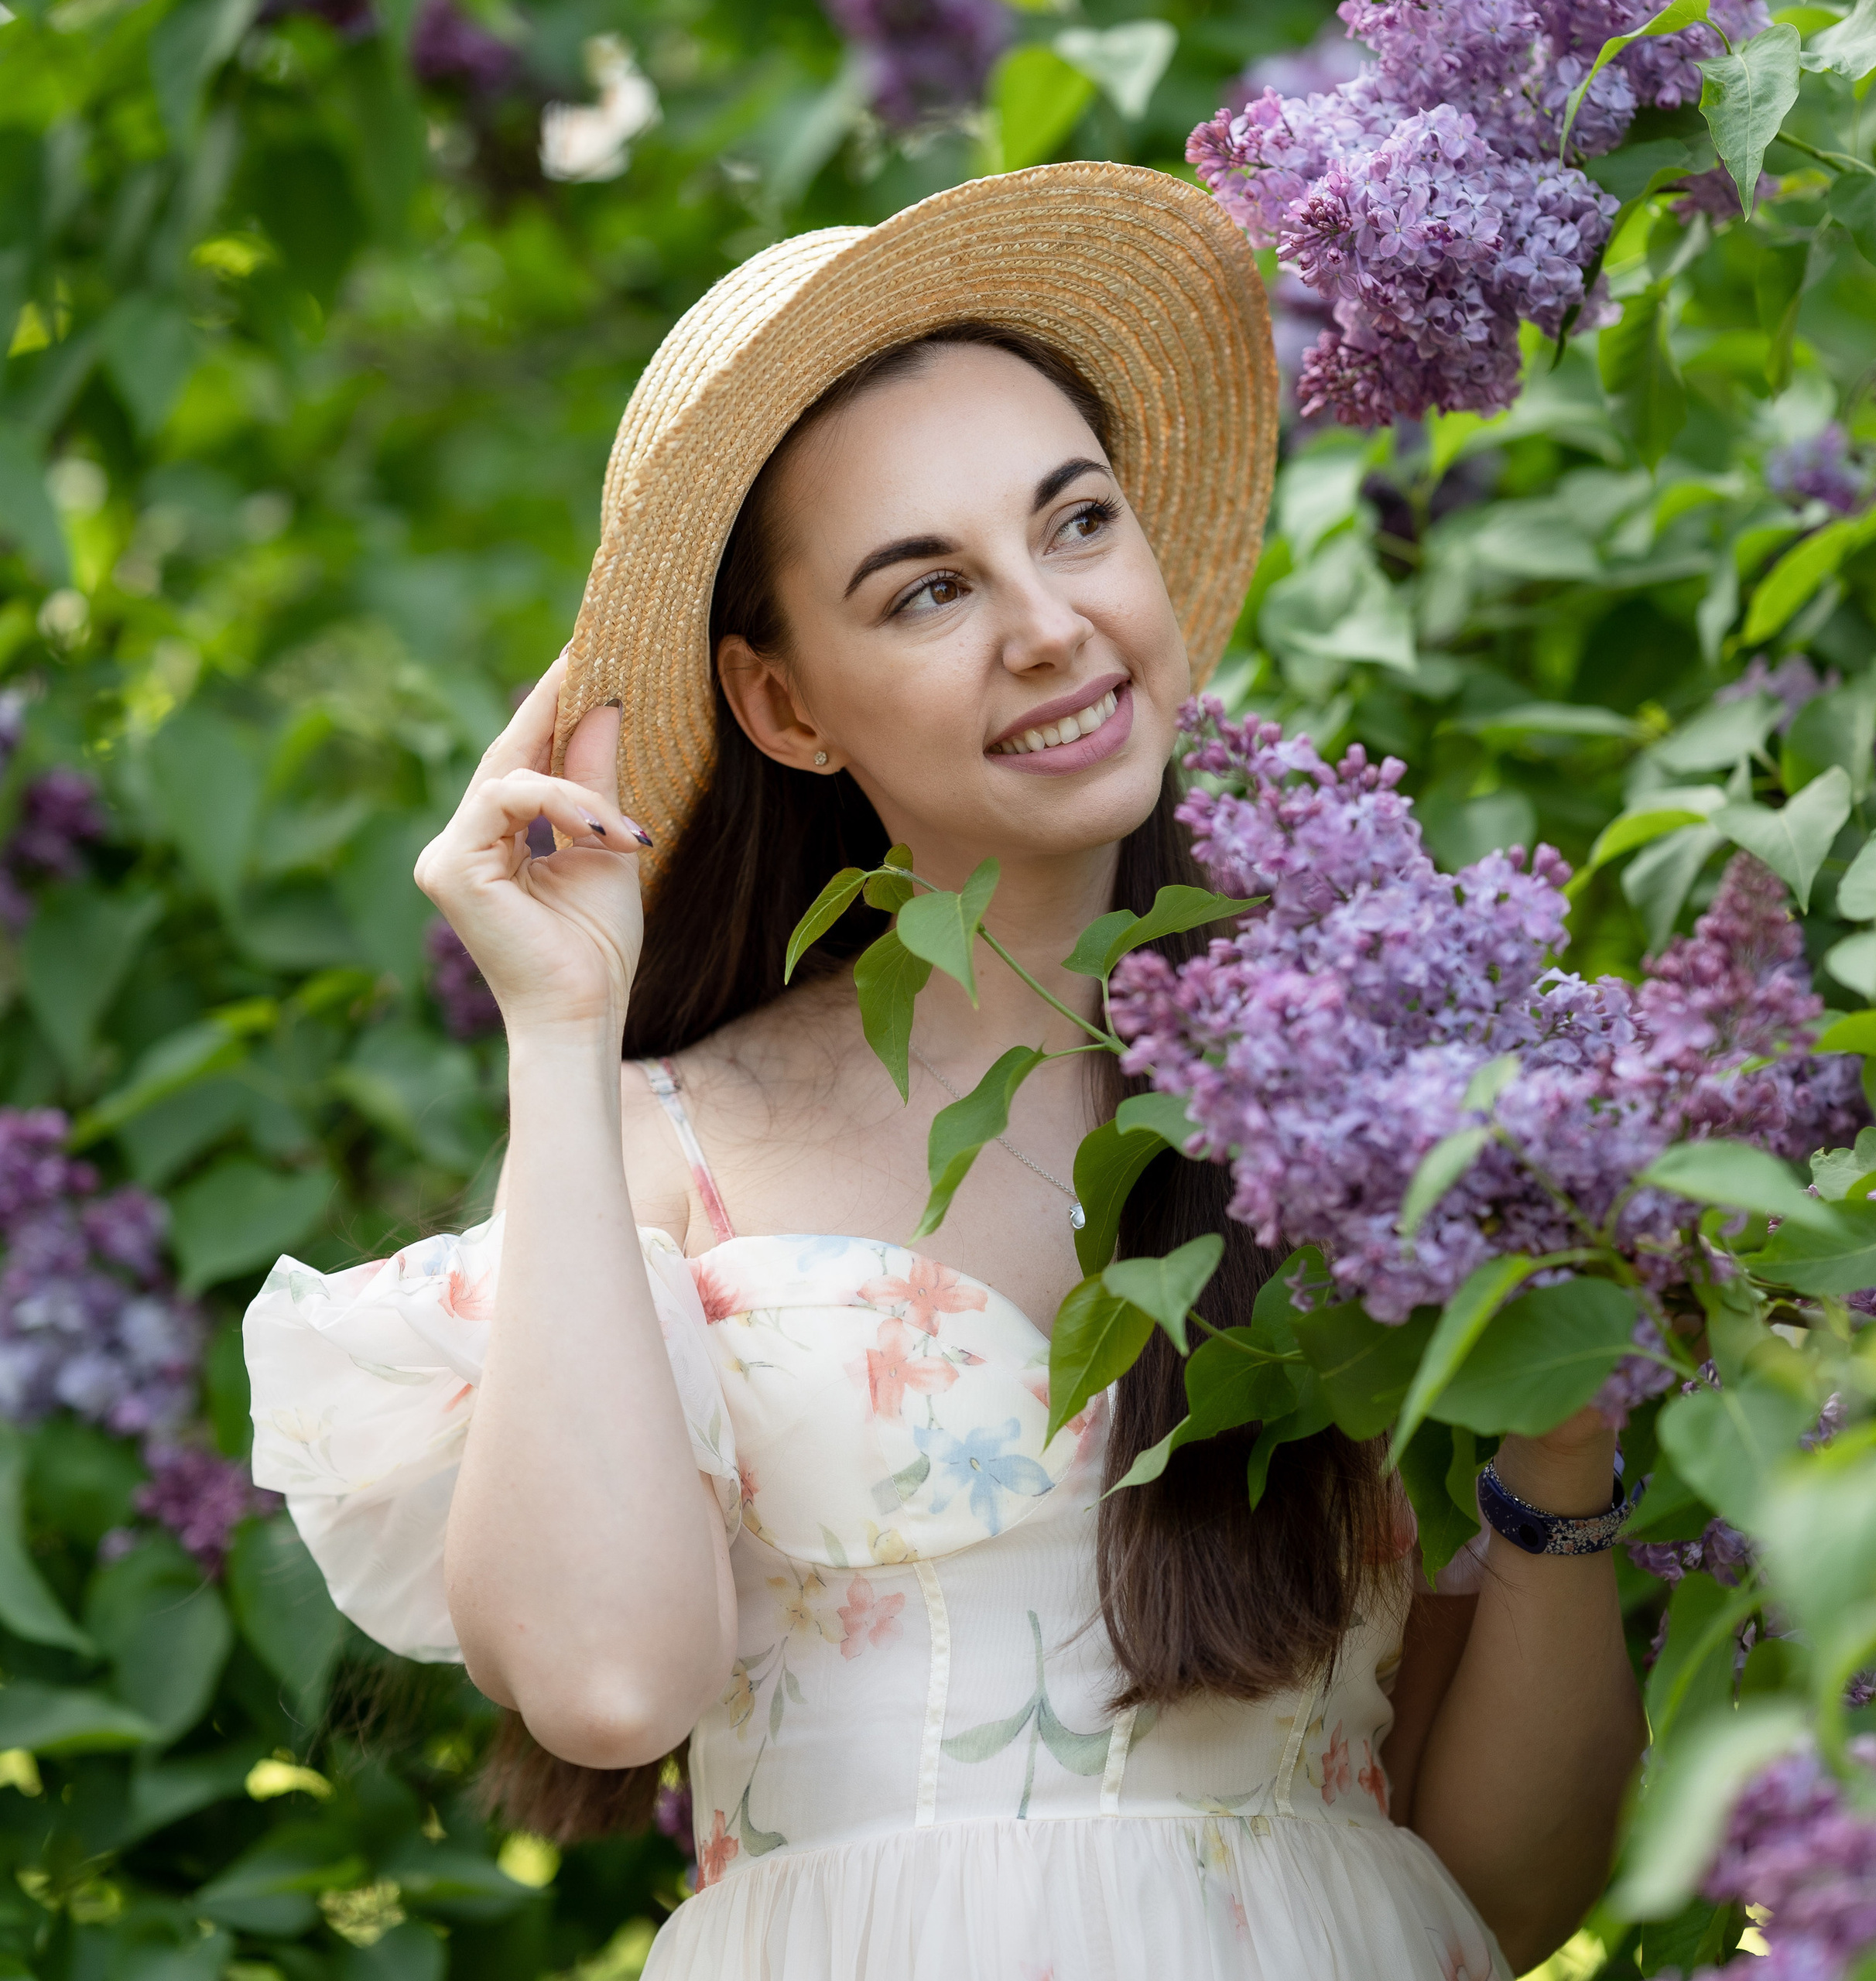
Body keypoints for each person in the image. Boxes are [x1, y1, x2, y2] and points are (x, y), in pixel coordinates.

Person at [245, 163, 1645, 1979]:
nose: (1047, 621)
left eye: (1075, 523)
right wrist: (560, 1026)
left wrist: (1562, 1445)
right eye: (925, 590)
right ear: (785, 704)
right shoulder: (657, 1150)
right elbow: (602, 1685)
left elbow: (1500, 1894)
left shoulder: (1366, 1106)